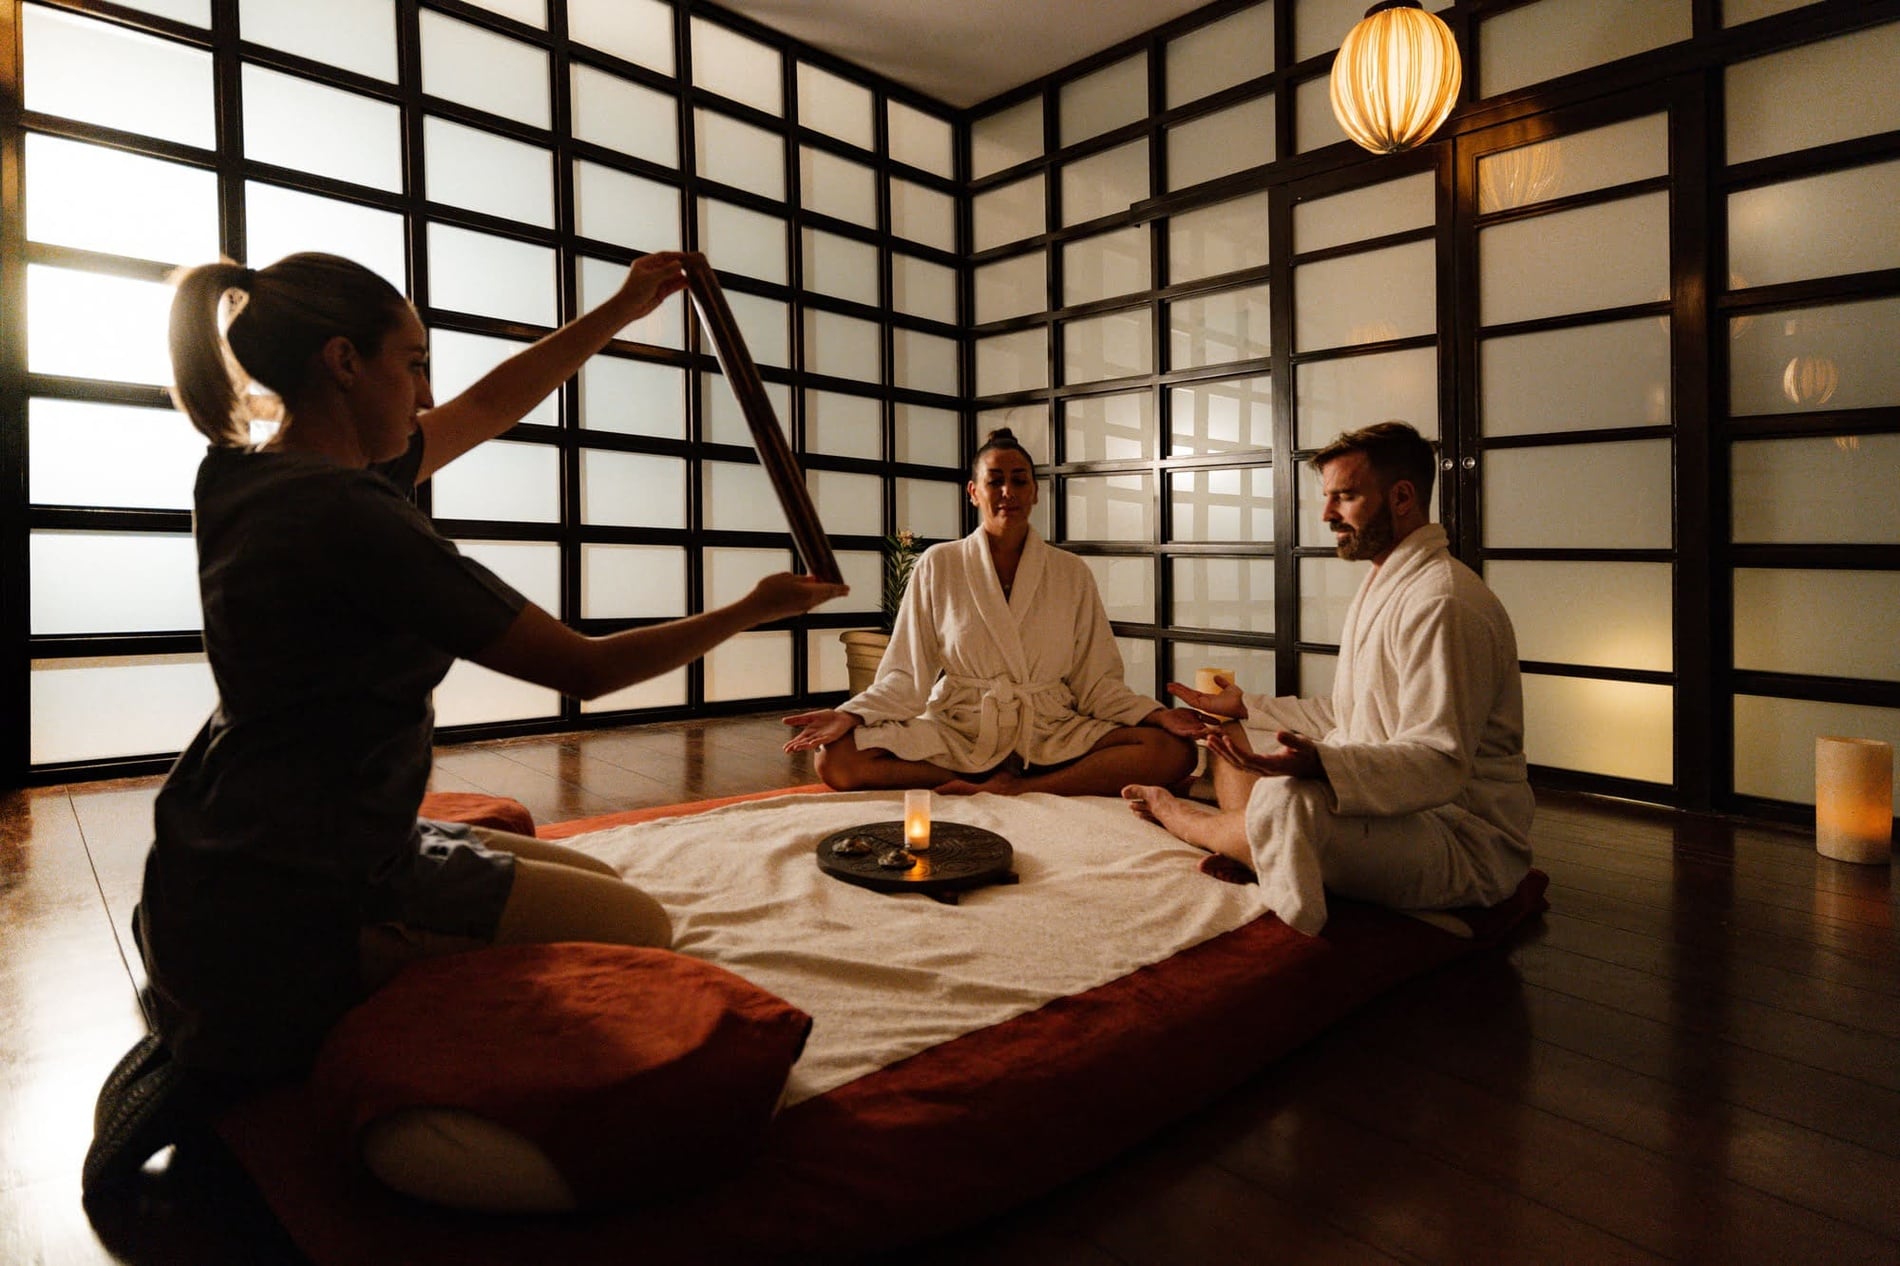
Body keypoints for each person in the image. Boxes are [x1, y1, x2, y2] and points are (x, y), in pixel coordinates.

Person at [88, 250, 845, 1195]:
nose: (425, 389)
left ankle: (244, 1003)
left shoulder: (241, 472)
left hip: (217, 860)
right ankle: (304, 1032)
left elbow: (488, 408)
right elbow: (587, 668)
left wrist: (617, 310)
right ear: (342, 362)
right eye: (412, 364)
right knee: (639, 925)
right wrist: (750, 609)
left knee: (591, 883)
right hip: (302, 901)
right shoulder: (352, 517)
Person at [1122, 422, 1533, 936]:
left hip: (1457, 832)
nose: (1326, 515)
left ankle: (1191, 823)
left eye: (1346, 496)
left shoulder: (1442, 601)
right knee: (1230, 739)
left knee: (1288, 800)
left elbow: (1440, 763)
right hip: (1392, 806)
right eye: (1327, 498)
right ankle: (1253, 839)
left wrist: (1324, 765)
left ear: (1402, 496)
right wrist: (1245, 707)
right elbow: (1347, 714)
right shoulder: (1389, 581)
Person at [782, 428, 1201, 796]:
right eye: (994, 480)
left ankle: (1022, 786)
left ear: (1035, 492)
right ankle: (983, 778)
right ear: (973, 491)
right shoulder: (938, 563)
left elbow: (1097, 682)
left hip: (1049, 729)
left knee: (1175, 753)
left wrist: (1157, 715)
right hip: (962, 728)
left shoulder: (1070, 572)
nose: (1008, 492)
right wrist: (848, 714)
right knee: (834, 759)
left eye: (1020, 481)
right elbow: (907, 675)